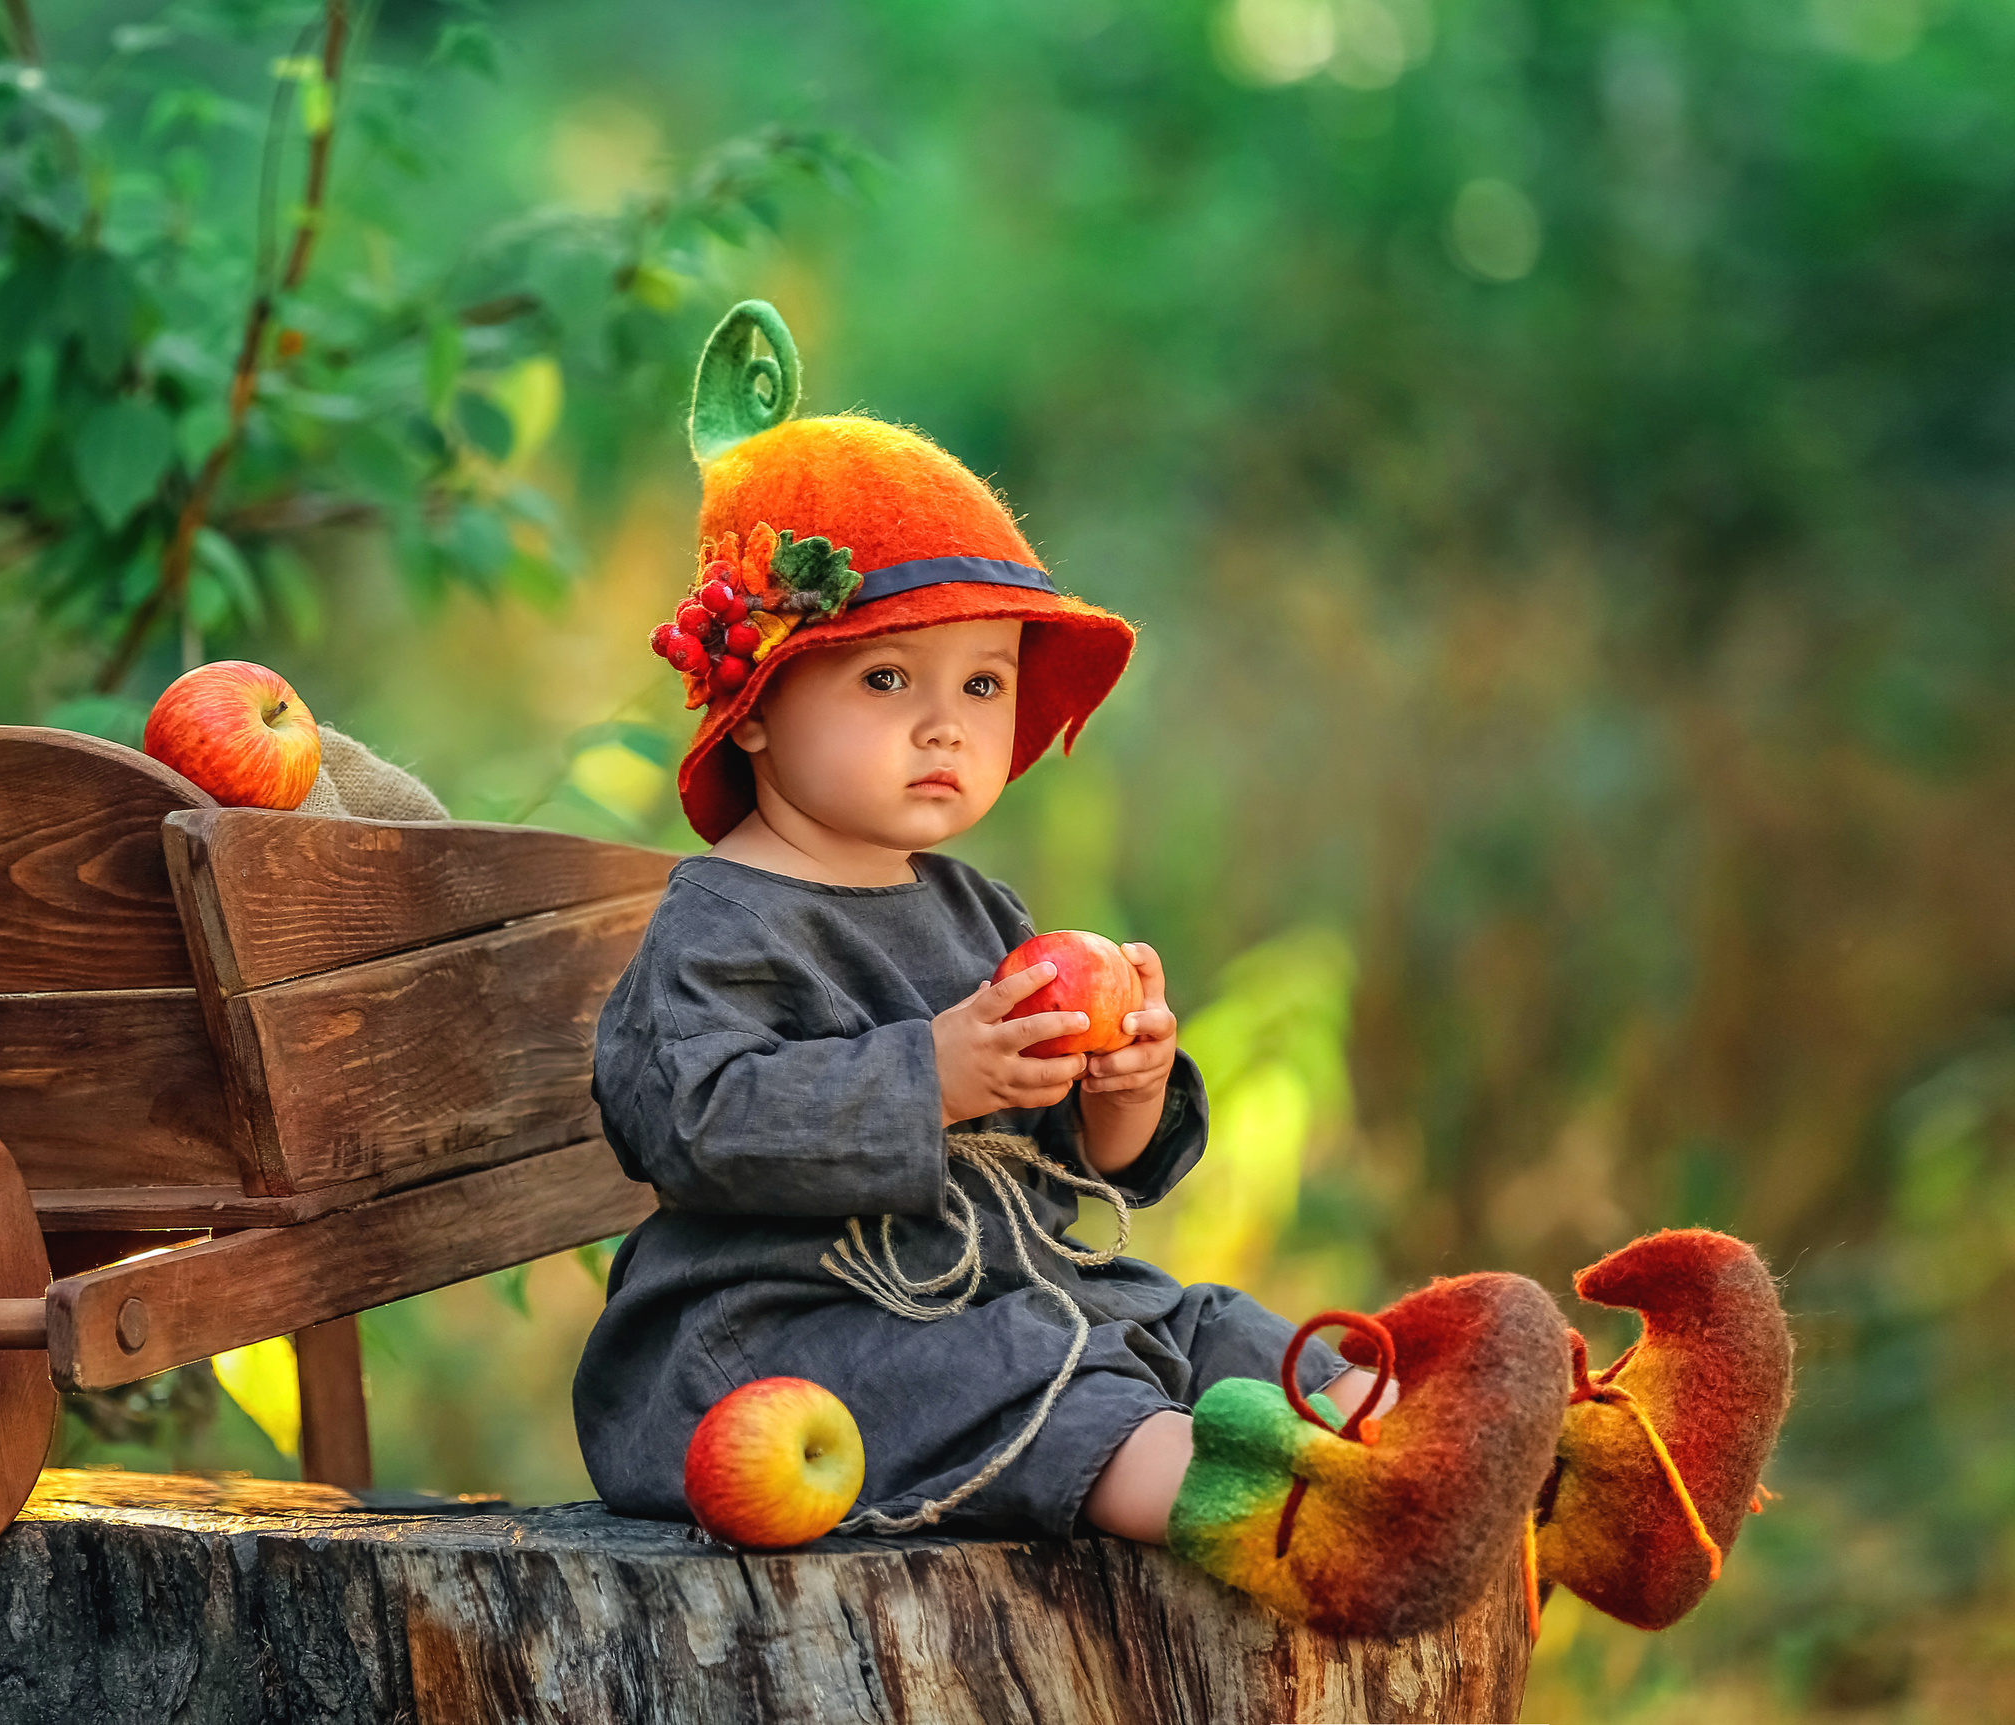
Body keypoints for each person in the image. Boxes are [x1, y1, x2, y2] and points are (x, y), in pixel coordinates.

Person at [572, 302, 1790, 1637]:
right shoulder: (722, 920)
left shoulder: (972, 904)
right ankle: (1328, 1518)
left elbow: (1083, 1164)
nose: (946, 725)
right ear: (752, 707)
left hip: (1002, 1286)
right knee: (1048, 1372)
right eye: (884, 680)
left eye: (984, 686)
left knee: (1199, 1321)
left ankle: (1582, 1482)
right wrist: (935, 1069)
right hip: (782, 1339)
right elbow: (687, 1120)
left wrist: (1122, 1087)